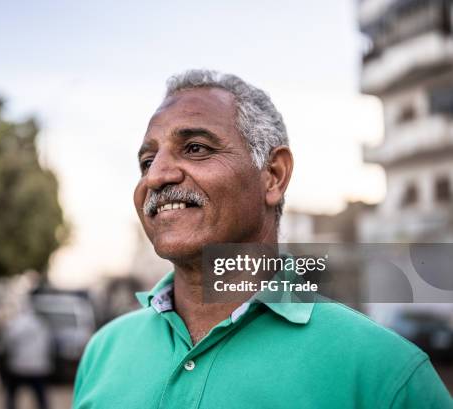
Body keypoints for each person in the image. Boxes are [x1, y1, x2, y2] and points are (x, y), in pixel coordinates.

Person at [72, 70, 452, 408]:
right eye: (146, 162)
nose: (155, 177)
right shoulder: (103, 353)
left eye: (195, 149)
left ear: (272, 175)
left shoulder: (386, 374)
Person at [0, 297, 54, 409]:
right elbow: (49, 344)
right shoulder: (41, 324)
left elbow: (7, 342)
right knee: (41, 397)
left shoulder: (14, 324)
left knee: (11, 395)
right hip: (38, 367)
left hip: (17, 366)